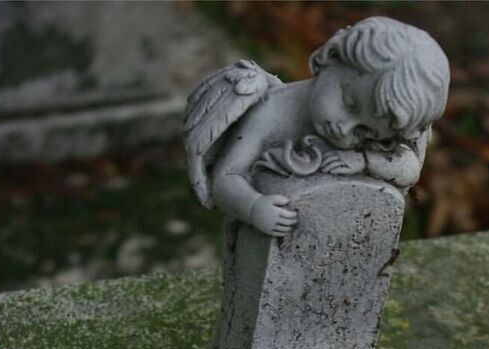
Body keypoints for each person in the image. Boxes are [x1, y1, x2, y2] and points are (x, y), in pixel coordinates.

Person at [184, 16, 450, 236]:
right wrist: (253, 207)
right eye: (349, 103)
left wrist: (364, 160)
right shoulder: (271, 109)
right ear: (331, 56)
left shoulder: (381, 128)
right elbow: (226, 178)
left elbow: (409, 169)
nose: (344, 129)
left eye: (364, 132)